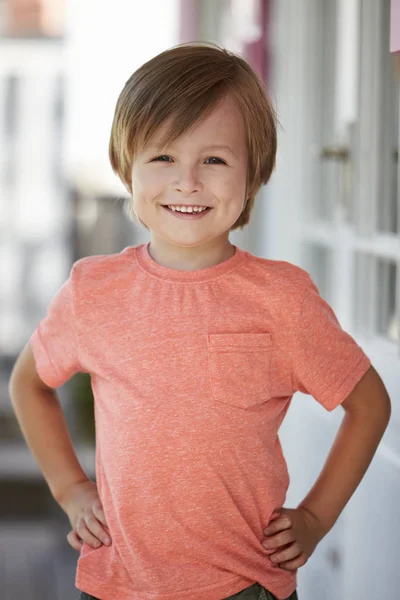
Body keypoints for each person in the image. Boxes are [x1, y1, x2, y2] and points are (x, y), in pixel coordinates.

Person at [8, 43, 391, 600]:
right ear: (126, 167)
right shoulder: (94, 291)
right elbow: (29, 384)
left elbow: (370, 404)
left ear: (253, 175)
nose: (187, 181)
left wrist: (315, 517)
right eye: (162, 157)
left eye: (213, 160)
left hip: (245, 585)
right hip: (117, 584)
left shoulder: (282, 298)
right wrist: (70, 489)